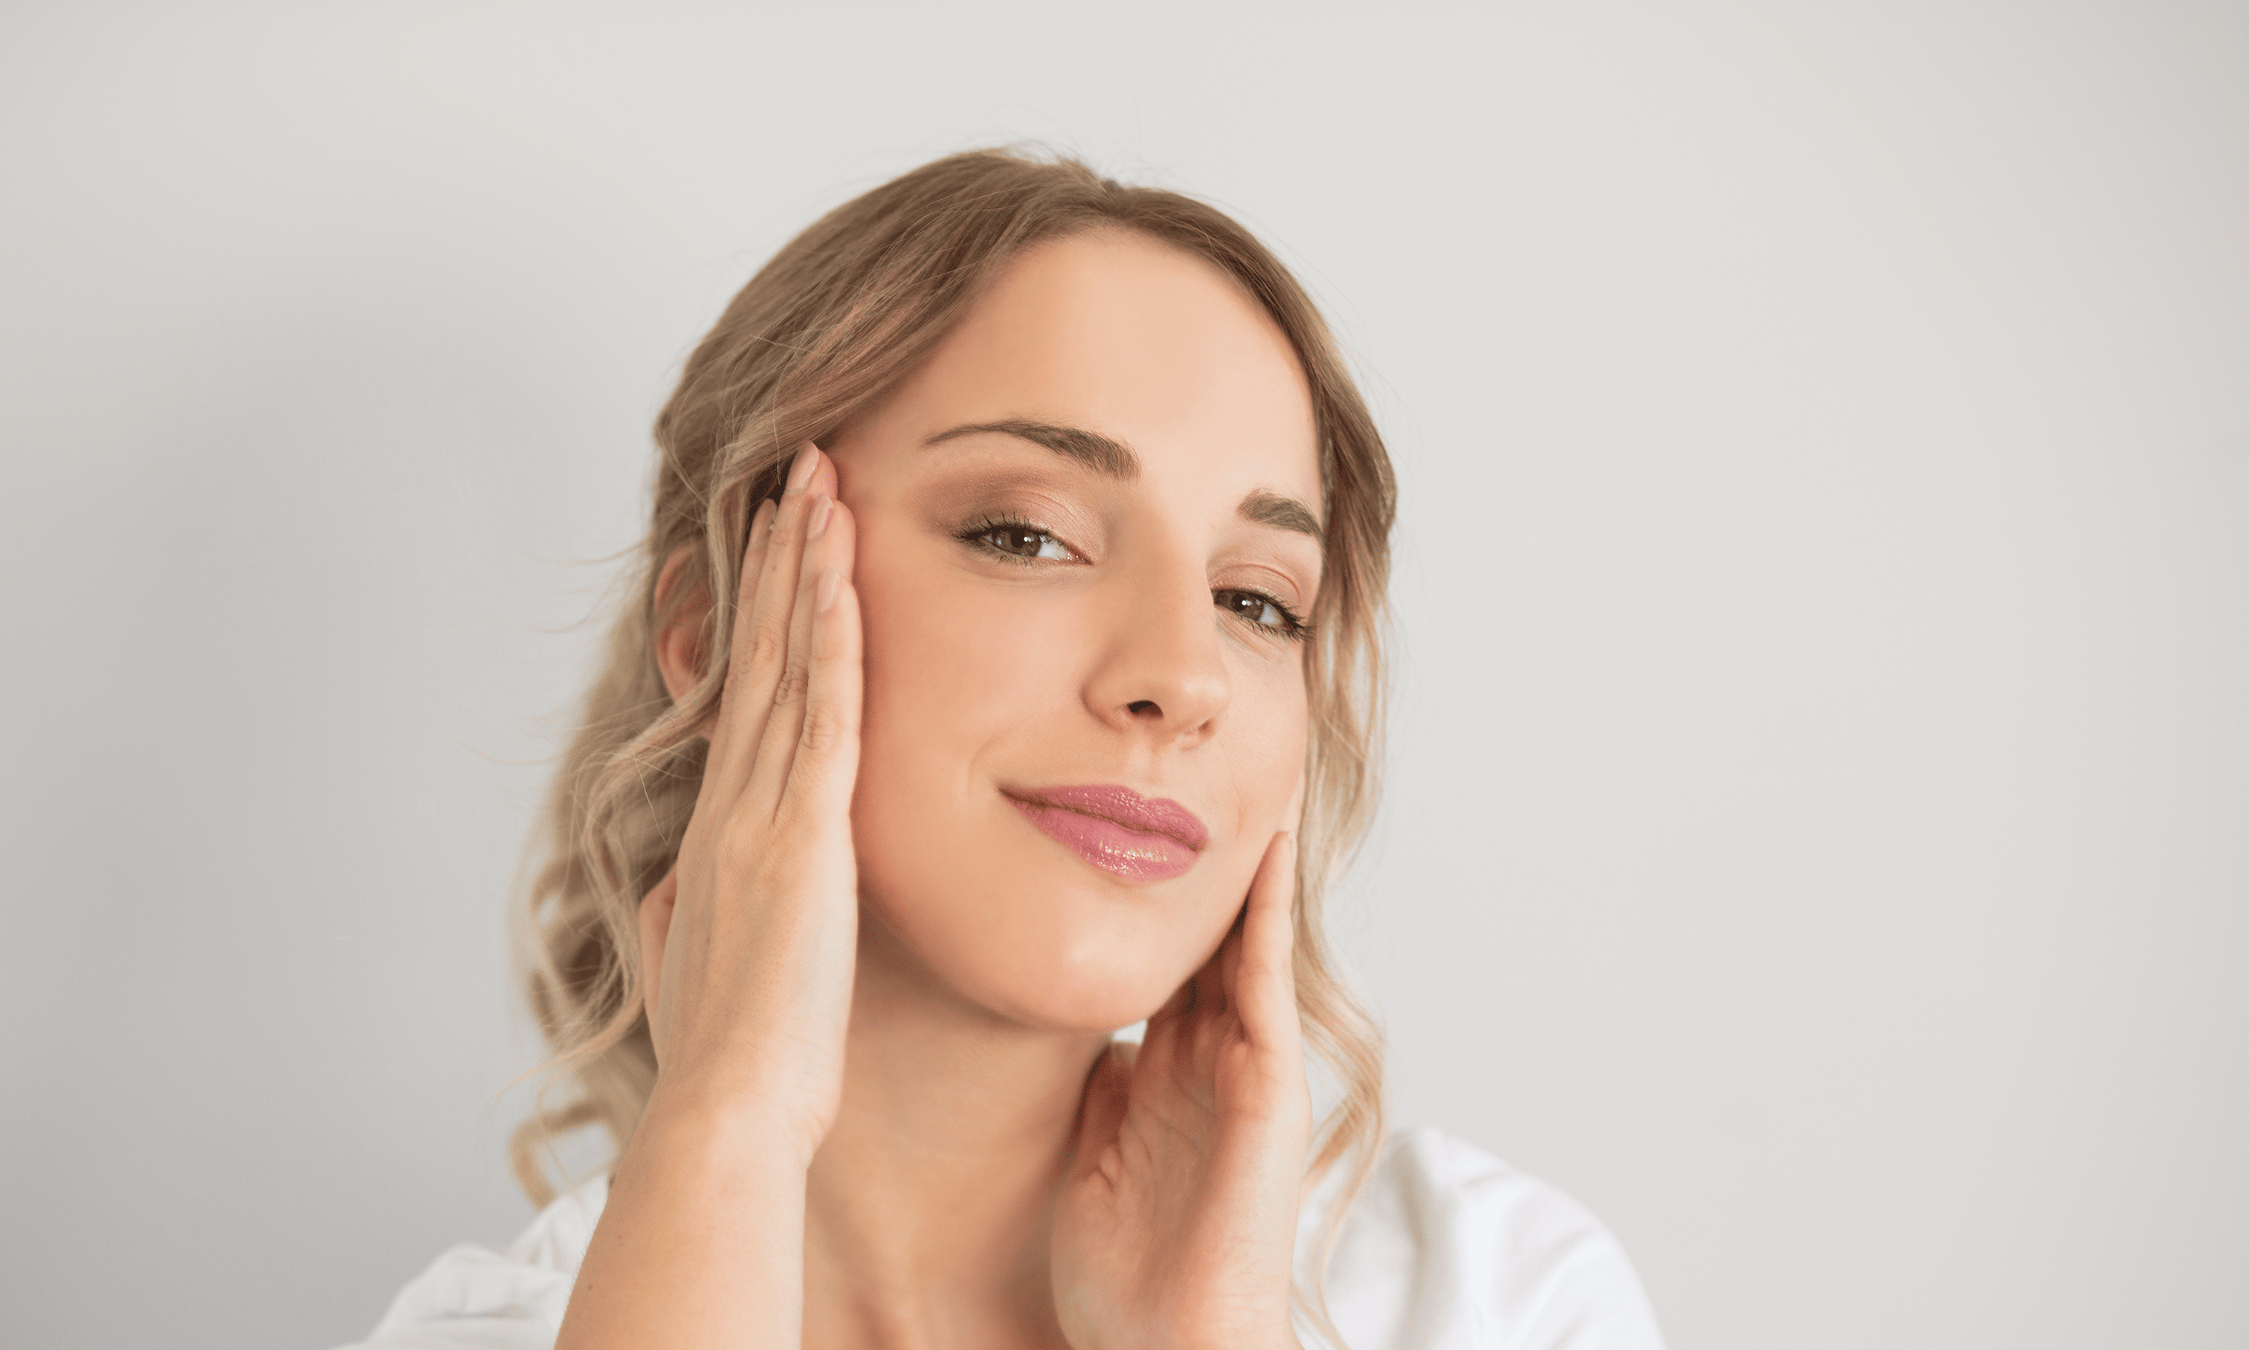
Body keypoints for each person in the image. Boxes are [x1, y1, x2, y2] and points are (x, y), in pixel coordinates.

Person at [337, 149, 1664, 1350]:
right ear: (715, 626)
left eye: (1258, 599)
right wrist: (723, 1138)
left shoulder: (1488, 1299)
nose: (1183, 674)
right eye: (1026, 534)